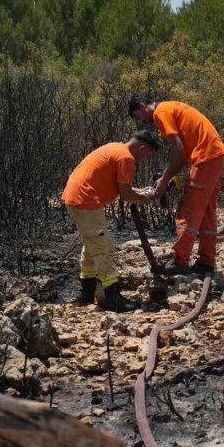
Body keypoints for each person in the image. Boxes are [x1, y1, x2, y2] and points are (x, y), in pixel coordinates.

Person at [128, 93, 224, 275]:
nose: (141, 121)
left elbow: (178, 150)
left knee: (188, 209)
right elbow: (182, 155)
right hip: (217, 156)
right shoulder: (170, 108)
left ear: (143, 106)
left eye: (138, 116)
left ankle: (180, 260)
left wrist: (165, 179)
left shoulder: (160, 113)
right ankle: (206, 260)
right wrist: (166, 179)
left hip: (205, 158)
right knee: (206, 211)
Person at [61, 131, 159, 312]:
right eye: (147, 155)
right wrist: (145, 198)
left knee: (92, 245)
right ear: (142, 148)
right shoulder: (126, 158)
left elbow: (121, 186)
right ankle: (113, 298)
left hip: (75, 197)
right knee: (102, 247)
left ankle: (87, 294)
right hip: (85, 201)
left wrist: (139, 190)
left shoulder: (116, 149)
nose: (145, 159)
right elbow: (126, 194)